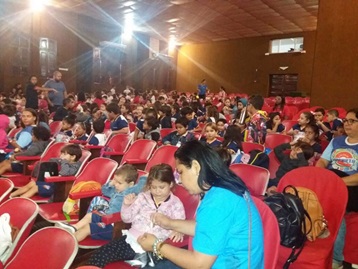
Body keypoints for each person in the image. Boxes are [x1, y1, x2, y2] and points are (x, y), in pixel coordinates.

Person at [137, 140, 264, 269]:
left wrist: (157, 245)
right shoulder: (224, 189)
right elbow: (207, 227)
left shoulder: (218, 201)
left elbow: (199, 264)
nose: (179, 180)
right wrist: (170, 223)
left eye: (181, 172)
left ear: (196, 167)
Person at [86, 164, 186, 268]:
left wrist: (179, 231)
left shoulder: (176, 204)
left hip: (155, 247)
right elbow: (127, 218)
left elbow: (180, 223)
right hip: (132, 241)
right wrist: (126, 205)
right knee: (101, 254)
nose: (157, 191)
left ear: (170, 184)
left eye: (161, 187)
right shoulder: (143, 197)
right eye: (153, 187)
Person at [315, 108, 358, 269]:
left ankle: (337, 258)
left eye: (352, 121)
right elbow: (322, 162)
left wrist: (337, 183)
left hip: (351, 187)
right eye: (346, 120)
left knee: (335, 205)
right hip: (333, 183)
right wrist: (321, 178)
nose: (347, 124)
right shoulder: (337, 141)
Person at [56, 164, 145, 241]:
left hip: (115, 226)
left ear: (131, 184)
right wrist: (110, 184)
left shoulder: (131, 192)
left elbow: (142, 183)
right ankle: (73, 228)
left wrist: (146, 175)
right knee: (90, 215)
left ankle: (68, 245)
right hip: (106, 218)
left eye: (119, 183)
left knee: (87, 228)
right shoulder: (116, 190)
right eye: (115, 181)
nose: (116, 185)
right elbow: (104, 191)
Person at [10, 144, 82, 198]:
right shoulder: (66, 162)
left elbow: (64, 173)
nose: (61, 156)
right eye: (62, 153)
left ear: (73, 157)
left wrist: (63, 161)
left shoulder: (75, 166)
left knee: (36, 187)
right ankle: (10, 196)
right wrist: (58, 160)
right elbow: (51, 160)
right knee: (32, 183)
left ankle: (19, 200)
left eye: (64, 154)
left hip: (57, 189)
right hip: (51, 183)